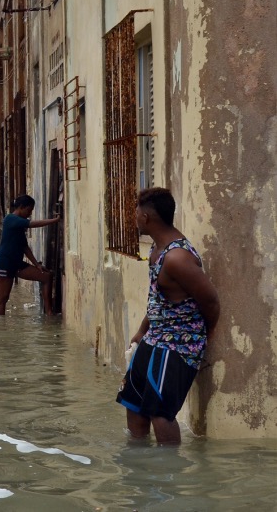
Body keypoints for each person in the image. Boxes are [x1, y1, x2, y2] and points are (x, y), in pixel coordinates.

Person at [117, 187, 220, 445]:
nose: (134, 218)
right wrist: (142, 331)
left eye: (136, 213)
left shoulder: (177, 257)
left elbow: (210, 300)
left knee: (160, 414)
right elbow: (160, 300)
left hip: (177, 344)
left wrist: (204, 335)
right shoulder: (157, 250)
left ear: (146, 218)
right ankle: (138, 467)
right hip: (155, 337)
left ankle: (166, 477)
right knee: (133, 401)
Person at [0, 195, 61, 316]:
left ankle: (49, 313)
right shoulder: (10, 219)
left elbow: (25, 248)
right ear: (21, 207)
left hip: (17, 264)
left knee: (46, 276)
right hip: (4, 264)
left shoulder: (19, 226)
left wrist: (36, 265)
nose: (29, 214)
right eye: (28, 210)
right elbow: (32, 224)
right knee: (3, 298)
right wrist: (54, 221)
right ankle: (0, 327)